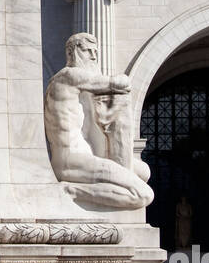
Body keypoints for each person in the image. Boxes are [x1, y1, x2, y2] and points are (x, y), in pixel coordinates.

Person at [44, 32, 153, 210]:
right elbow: (119, 83)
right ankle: (71, 191)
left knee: (144, 172)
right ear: (72, 52)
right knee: (144, 195)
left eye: (96, 52)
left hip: (83, 158)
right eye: (88, 51)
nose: (94, 57)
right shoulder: (68, 76)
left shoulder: (76, 86)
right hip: (72, 160)